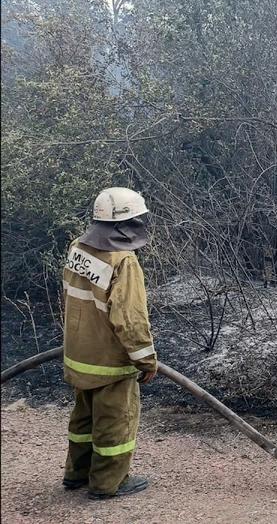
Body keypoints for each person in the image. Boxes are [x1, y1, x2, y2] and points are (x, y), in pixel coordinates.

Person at [61, 187, 157, 499]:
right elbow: (130, 319)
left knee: (84, 419)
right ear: (128, 224)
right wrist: (145, 360)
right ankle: (107, 483)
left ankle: (76, 474)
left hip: (78, 353)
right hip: (110, 360)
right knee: (115, 422)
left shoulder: (78, 247)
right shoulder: (124, 261)